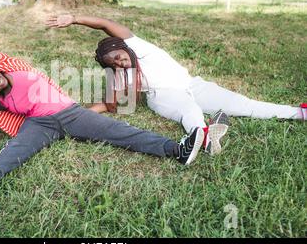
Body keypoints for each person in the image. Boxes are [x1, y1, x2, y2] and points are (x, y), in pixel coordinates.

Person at [0, 39, 205, 196]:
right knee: (18, 147)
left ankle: (177, 150)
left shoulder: (10, 65)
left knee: (117, 131)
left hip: (69, 113)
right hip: (41, 124)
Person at [46, 14, 306, 155]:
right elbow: (109, 105)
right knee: (189, 110)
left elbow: (104, 24)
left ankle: (299, 112)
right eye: (111, 64)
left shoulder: (139, 47)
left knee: (244, 105)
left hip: (194, 84)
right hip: (164, 96)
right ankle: (202, 136)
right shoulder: (121, 75)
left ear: (121, 46)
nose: (118, 63)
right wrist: (74, 116)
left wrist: (74, 19)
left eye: (117, 57)